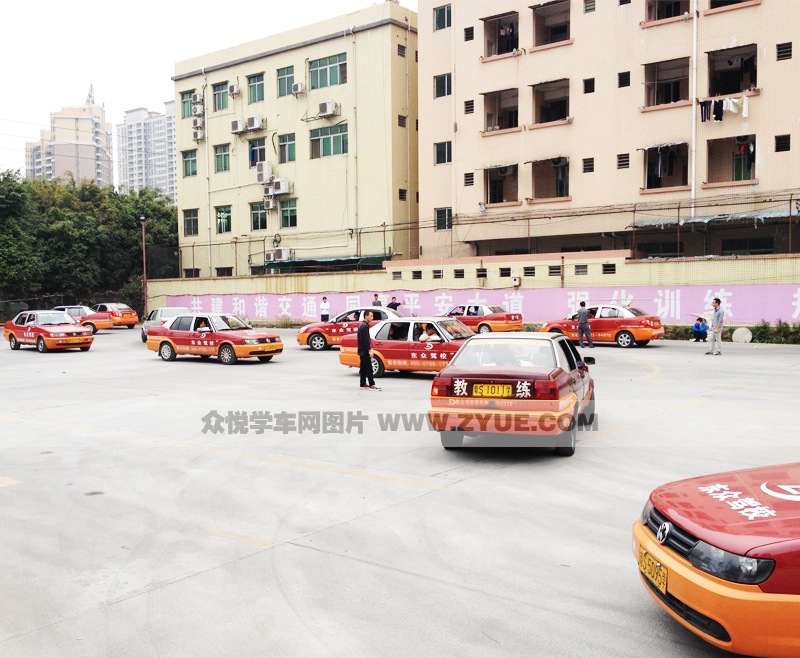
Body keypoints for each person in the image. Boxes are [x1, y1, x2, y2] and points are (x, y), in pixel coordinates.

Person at [358, 310, 380, 390]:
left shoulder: (362, 325)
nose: (372, 317)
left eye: (372, 316)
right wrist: (369, 350)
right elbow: (366, 340)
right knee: (369, 368)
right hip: (364, 350)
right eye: (371, 316)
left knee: (363, 368)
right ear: (366, 316)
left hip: (361, 350)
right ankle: (372, 384)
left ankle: (362, 383)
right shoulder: (364, 326)